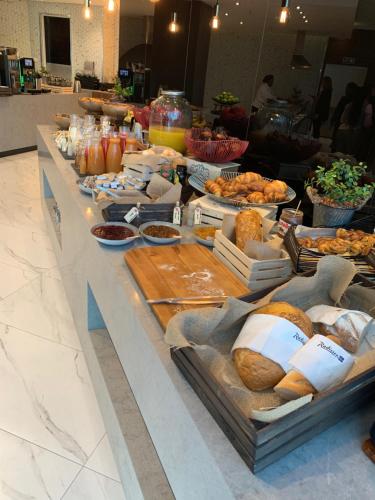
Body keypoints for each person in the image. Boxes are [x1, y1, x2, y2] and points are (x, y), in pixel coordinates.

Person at [331, 82, 358, 152]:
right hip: (347, 126)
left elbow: (338, 111)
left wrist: (333, 120)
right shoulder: (355, 101)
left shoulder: (345, 99)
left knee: (337, 144)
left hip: (341, 123)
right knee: (342, 146)